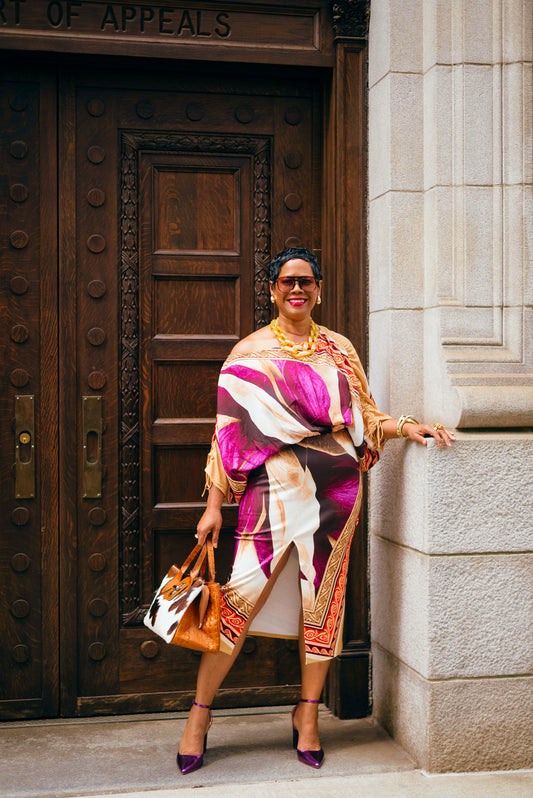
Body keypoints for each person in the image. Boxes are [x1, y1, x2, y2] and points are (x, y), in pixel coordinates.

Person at [177, 247, 455, 774]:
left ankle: (307, 715)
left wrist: (408, 426)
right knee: (237, 605)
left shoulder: (339, 349)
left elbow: (365, 417)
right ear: (273, 289)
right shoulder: (249, 352)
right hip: (268, 494)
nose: (296, 289)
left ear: (319, 288)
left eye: (305, 281)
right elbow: (226, 437)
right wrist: (214, 506)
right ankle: (199, 715)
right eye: (287, 282)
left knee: (322, 605)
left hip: (336, 494)